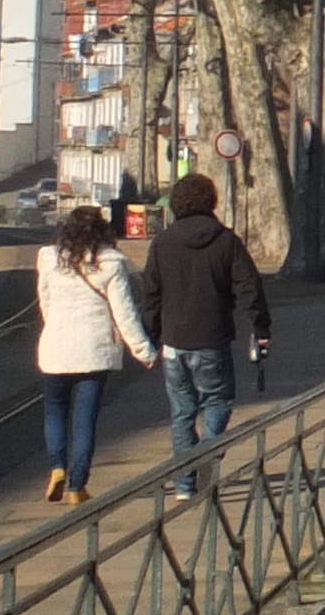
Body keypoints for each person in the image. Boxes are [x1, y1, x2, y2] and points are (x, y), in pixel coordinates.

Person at [143, 171, 273, 463]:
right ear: (211, 201)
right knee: (218, 401)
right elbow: (249, 286)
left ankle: (184, 483)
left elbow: (151, 293)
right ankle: (207, 455)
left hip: (174, 341)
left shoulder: (163, 242)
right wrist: (260, 326)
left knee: (182, 412)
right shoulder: (225, 241)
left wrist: (151, 335)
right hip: (212, 338)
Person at [33, 204, 157, 502]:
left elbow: (45, 300)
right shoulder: (111, 263)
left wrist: (55, 328)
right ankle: (78, 485)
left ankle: (57, 468)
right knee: (85, 419)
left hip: (56, 347)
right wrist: (145, 351)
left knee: (55, 411)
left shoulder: (49, 258)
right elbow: (124, 313)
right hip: (94, 350)